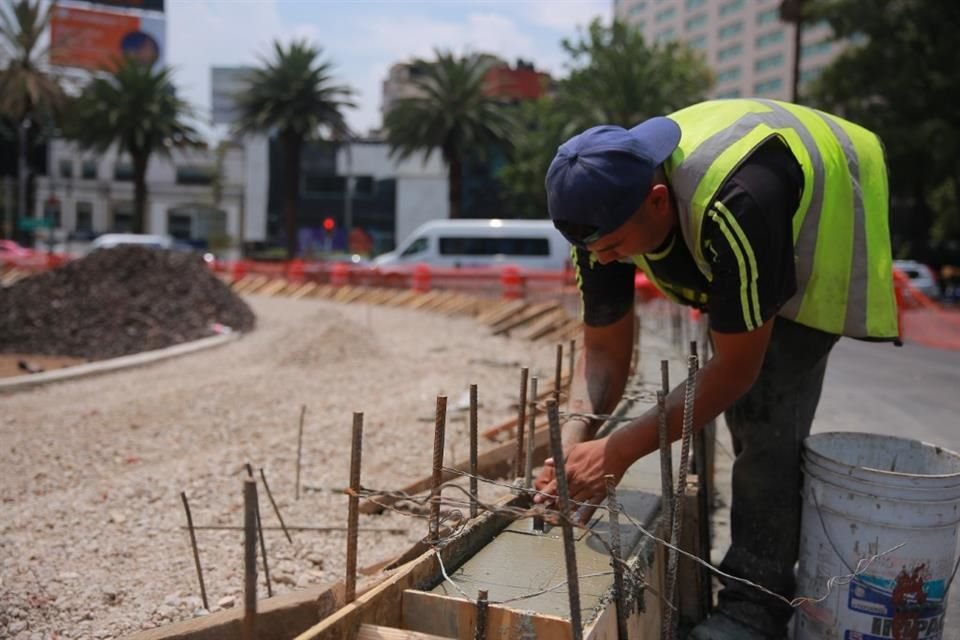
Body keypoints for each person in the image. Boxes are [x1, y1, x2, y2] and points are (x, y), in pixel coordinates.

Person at [534, 98, 899, 640]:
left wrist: (616, 452)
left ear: (658, 202)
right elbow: (605, 352)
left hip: (825, 198)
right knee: (724, 390)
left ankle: (754, 609)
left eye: (612, 248)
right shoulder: (600, 213)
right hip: (729, 217)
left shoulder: (740, 204)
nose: (604, 260)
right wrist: (574, 442)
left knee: (764, 417)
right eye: (594, 250)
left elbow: (734, 371)